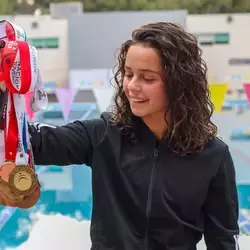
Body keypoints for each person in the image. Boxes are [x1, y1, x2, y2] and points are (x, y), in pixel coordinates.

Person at [3, 22, 240, 249]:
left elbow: (224, 240)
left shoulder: (212, 156)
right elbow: (33, 142)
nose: (133, 86)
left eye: (148, 78)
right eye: (128, 74)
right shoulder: (104, 134)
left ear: (179, 83)